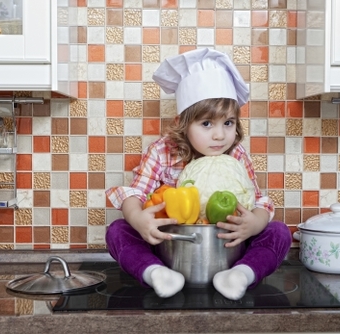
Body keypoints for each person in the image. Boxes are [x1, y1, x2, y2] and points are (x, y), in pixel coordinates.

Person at [105, 48, 292, 301]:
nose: (219, 135)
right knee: (117, 230)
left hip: (229, 249)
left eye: (228, 123)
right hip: (171, 251)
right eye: (206, 124)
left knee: (279, 232)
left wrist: (255, 223)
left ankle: (241, 275)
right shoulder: (162, 151)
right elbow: (135, 193)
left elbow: (257, 201)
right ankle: (156, 273)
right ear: (183, 123)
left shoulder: (237, 155)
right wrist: (138, 219)